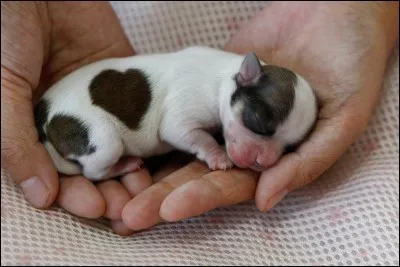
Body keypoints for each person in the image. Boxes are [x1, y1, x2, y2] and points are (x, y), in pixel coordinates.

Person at [1, 1, 398, 236]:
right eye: (261, 130)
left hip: (76, 105)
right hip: (72, 121)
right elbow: (174, 127)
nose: (266, 156)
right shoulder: (197, 83)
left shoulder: (224, 82)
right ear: (244, 79)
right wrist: (209, 150)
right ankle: (98, 168)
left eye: (285, 146)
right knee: (103, 142)